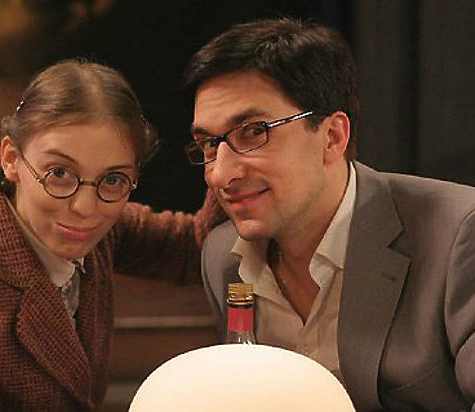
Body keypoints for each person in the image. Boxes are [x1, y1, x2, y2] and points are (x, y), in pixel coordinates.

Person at [183, 17, 475, 411]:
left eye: (253, 132)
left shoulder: (458, 233)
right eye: (209, 144)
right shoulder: (223, 257)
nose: (220, 174)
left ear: (333, 137)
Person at [0, 59, 221, 411]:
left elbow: (198, 248)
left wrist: (224, 158)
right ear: (11, 159)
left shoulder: (106, 226)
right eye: (59, 173)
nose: (85, 207)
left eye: (113, 179)